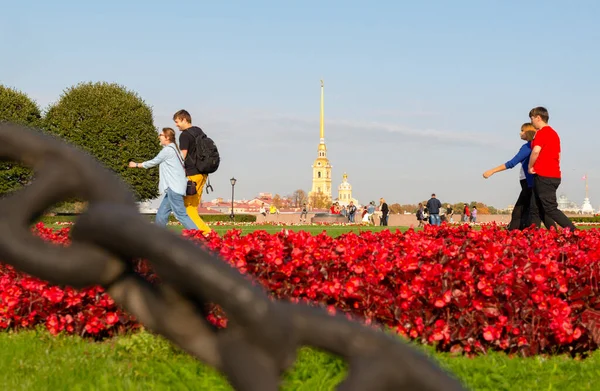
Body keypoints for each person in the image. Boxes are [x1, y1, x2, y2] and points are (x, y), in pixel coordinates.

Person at [128, 128, 198, 230]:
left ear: (167, 137)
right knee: (161, 214)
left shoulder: (168, 150)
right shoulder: (175, 149)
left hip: (174, 189)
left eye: (161, 135)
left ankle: (199, 237)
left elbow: (153, 162)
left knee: (181, 215)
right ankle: (157, 236)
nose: (159, 137)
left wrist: (136, 165)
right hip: (173, 188)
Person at [483, 123, 544, 230]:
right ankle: (522, 233)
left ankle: (513, 233)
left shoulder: (527, 147)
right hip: (530, 183)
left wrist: (492, 171)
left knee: (518, 211)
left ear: (528, 132)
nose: (520, 133)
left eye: (522, 130)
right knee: (527, 210)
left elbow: (512, 163)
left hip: (528, 183)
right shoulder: (533, 146)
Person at [527, 106, 576, 231]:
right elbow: (558, 156)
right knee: (535, 207)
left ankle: (576, 232)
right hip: (552, 175)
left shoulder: (542, 133)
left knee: (550, 208)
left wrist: (530, 166)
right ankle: (534, 236)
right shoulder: (554, 134)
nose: (531, 122)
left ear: (538, 118)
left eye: (532, 118)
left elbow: (536, 151)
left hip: (544, 176)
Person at [173, 110, 212, 235]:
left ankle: (206, 233)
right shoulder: (198, 131)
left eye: (177, 122)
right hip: (203, 173)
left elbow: (182, 156)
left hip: (192, 174)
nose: (176, 125)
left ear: (184, 119)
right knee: (193, 207)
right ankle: (201, 233)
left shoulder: (184, 135)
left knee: (188, 208)